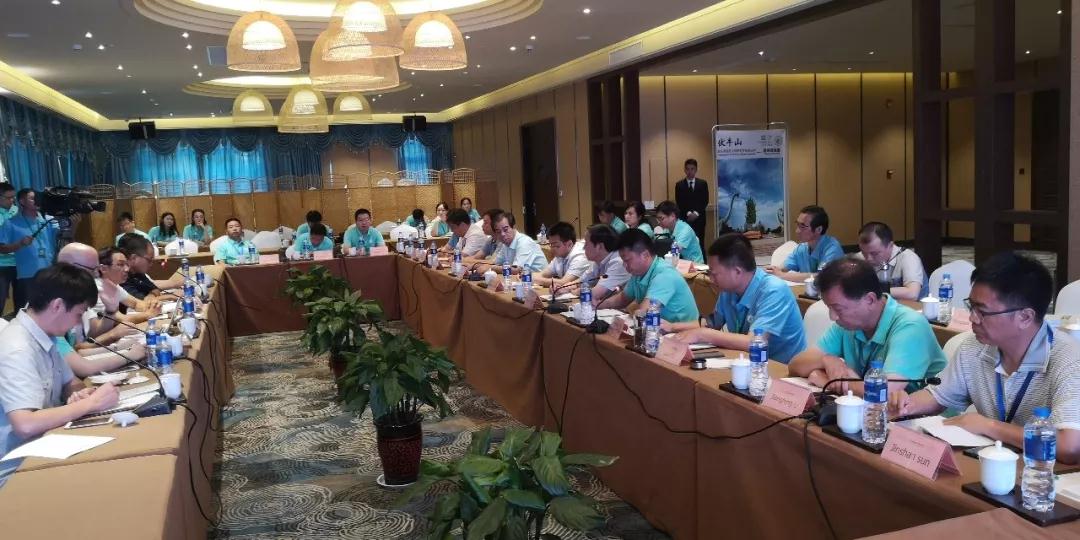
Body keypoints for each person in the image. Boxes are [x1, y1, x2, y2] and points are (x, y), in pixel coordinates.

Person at [889, 252, 1080, 464]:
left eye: (982, 312)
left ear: (1025, 317)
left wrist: (990, 426)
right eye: (971, 306)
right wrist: (907, 404)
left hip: (1045, 473)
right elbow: (938, 396)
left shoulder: (1069, 359)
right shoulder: (974, 347)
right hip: (993, 463)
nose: (972, 318)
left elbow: (1070, 446)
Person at [0, 263, 120, 456]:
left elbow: (71, 382)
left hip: (47, 442)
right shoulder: (18, 347)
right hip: (19, 460)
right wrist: (91, 403)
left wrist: (77, 395)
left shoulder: (46, 334)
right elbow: (25, 425)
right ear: (57, 305)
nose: (77, 323)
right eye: (78, 314)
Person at [788, 258, 946, 396]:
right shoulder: (847, 325)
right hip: (874, 412)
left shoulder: (910, 326)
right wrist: (827, 360)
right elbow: (796, 365)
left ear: (869, 299)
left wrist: (830, 382)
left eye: (838, 309)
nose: (832, 316)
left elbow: (884, 392)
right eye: (829, 308)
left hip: (929, 418)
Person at [665, 234, 807, 363]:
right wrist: (671, 327)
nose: (711, 279)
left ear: (737, 271)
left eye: (714, 274)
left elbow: (754, 342)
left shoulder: (774, 291)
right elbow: (711, 323)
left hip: (782, 370)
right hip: (749, 363)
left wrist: (703, 334)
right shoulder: (729, 290)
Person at [598, 229, 699, 323]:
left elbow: (644, 312)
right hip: (660, 329)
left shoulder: (664, 275)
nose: (624, 265)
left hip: (683, 331)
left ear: (645, 255)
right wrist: (597, 304)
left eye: (627, 260)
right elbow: (622, 299)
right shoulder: (639, 272)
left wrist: (634, 309)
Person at [0, 188, 60, 311]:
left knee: (48, 310)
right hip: (27, 275)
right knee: (26, 311)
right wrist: (20, 244)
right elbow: (2, 248)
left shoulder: (47, 220)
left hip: (49, 273)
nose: (37, 201)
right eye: (32, 198)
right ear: (22, 201)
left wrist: (73, 225)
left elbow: (63, 237)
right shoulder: (11, 223)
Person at [766, 205, 844, 282]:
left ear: (819, 229)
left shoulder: (832, 248)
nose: (797, 231)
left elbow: (822, 277)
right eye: (798, 225)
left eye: (802, 226)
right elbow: (783, 268)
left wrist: (781, 275)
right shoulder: (802, 248)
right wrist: (772, 270)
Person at [854, 222, 927, 301]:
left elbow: (912, 294)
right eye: (864, 253)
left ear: (890, 246)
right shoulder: (858, 259)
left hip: (914, 307)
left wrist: (875, 291)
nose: (868, 259)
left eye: (874, 253)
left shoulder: (908, 258)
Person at [118, 234, 185, 299]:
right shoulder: (121, 277)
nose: (151, 264)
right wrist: (171, 296)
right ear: (134, 258)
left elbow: (155, 290)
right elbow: (139, 302)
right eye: (149, 260)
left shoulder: (137, 272)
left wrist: (151, 295)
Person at [579, 224, 631, 303]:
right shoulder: (598, 260)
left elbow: (594, 294)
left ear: (599, 246)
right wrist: (567, 287)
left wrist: (577, 290)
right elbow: (582, 281)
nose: (583, 248)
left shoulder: (619, 262)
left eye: (586, 243)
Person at [539, 222, 591, 289]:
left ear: (569, 244)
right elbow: (542, 274)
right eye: (551, 245)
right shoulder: (561, 254)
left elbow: (564, 283)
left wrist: (536, 279)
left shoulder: (580, 256)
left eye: (556, 245)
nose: (552, 249)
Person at [674, 158, 708, 252]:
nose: (690, 171)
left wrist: (696, 214)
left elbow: (705, 201)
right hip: (685, 219)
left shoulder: (703, 184)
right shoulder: (679, 185)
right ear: (684, 170)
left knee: (700, 243)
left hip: (699, 219)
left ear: (696, 170)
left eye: (692, 169)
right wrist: (689, 213)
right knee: (685, 243)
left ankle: (702, 260)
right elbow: (679, 202)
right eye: (687, 169)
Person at [0, 183, 18, 314]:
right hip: (1, 265)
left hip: (19, 263)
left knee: (22, 299)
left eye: (13, 197)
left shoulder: (17, 211)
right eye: (9, 197)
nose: (12, 200)